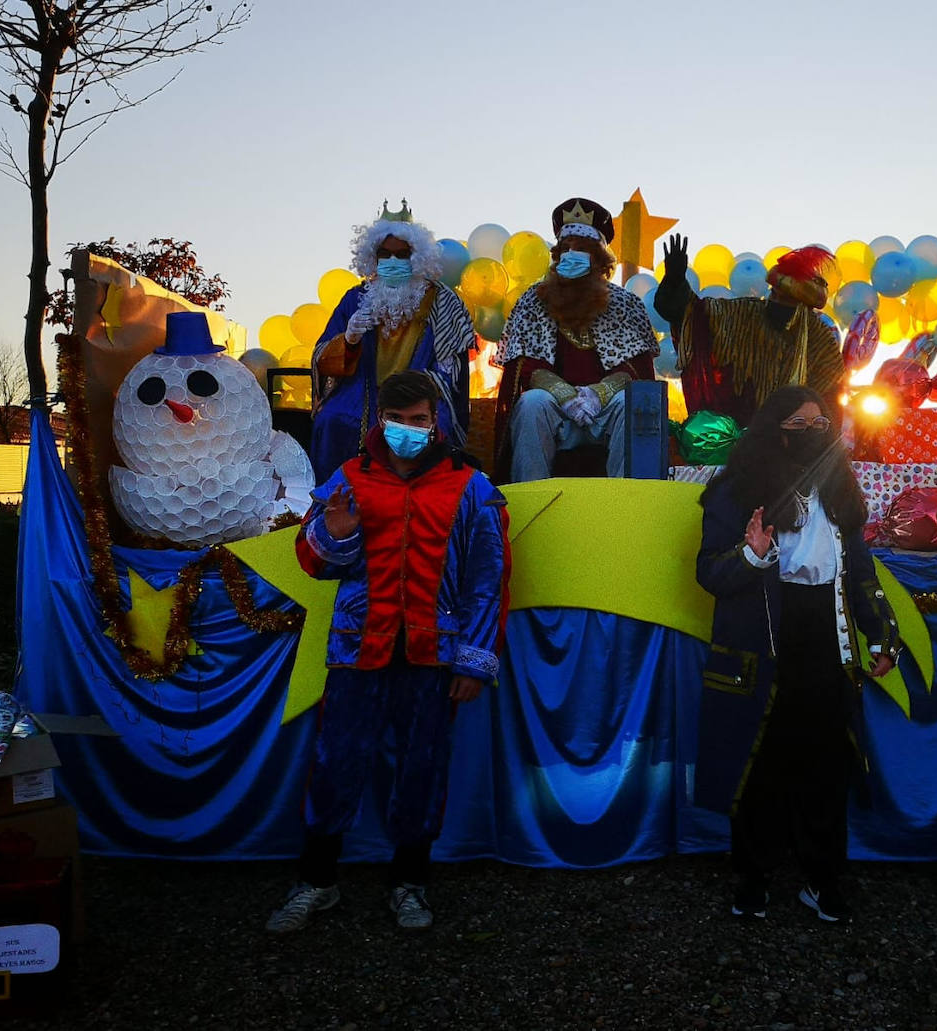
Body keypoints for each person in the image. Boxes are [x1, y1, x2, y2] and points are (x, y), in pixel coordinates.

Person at [266, 371, 510, 934]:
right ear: (380, 421)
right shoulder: (348, 479)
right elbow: (316, 563)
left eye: (419, 420)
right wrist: (339, 533)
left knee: (423, 766)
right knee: (335, 763)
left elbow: (487, 577)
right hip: (358, 649)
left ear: (437, 422)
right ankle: (317, 882)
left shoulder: (471, 488)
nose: (407, 430)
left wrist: (475, 658)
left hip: (434, 655)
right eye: (396, 420)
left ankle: (410, 883)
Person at [694, 385, 902, 924]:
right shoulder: (734, 492)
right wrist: (751, 553)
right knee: (759, 764)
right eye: (799, 422)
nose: (813, 431)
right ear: (774, 428)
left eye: (820, 422)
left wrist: (881, 634)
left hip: (825, 646)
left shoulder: (839, 490)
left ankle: (822, 878)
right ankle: (754, 876)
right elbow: (710, 574)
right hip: (762, 646)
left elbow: (859, 574)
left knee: (825, 765)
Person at [492, 197, 658, 482]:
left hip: (604, 412)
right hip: (555, 409)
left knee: (627, 403)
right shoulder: (533, 301)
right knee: (532, 403)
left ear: (599, 258)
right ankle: (531, 499)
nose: (571, 255)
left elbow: (636, 370)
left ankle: (628, 499)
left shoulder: (625, 304)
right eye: (566, 248)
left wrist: (597, 394)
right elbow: (525, 366)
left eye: (582, 249)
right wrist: (566, 395)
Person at [310, 200, 474, 481]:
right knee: (333, 420)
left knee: (435, 425)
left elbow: (453, 369)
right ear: (373, 258)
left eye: (402, 254)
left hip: (421, 392)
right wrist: (348, 340)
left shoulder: (443, 301)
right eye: (385, 255)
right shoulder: (354, 298)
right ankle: (335, 502)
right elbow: (321, 359)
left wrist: (419, 386)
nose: (393, 262)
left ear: (417, 257)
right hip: (361, 390)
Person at [653, 236, 846, 427]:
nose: (776, 301)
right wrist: (675, 282)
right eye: (774, 294)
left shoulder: (820, 340)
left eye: (786, 299)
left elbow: (830, 402)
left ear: (803, 308)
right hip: (737, 441)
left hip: (795, 444)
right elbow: (694, 314)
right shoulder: (745, 313)